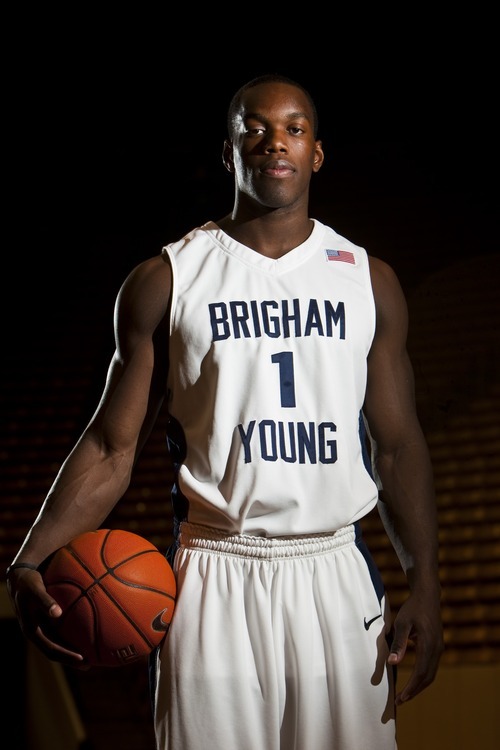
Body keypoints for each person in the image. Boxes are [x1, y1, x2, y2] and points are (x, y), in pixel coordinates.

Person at [6, 73, 443, 749]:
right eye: (255, 127)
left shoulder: (366, 278)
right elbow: (111, 447)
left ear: (317, 153)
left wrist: (427, 582)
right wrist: (30, 557)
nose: (276, 141)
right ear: (227, 150)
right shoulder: (168, 279)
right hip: (214, 571)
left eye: (294, 128)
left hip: (334, 574)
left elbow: (397, 447)